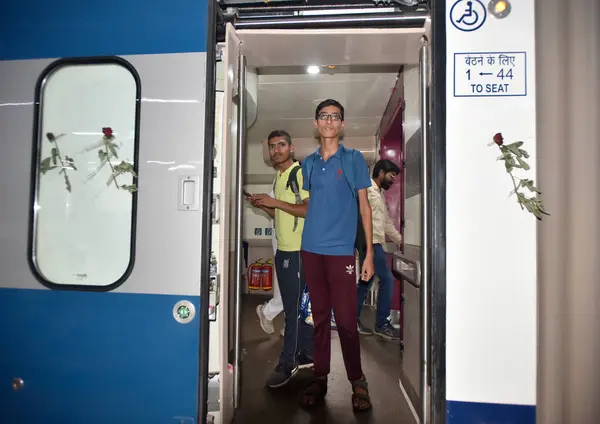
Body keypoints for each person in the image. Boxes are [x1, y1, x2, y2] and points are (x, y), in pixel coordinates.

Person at [299, 99, 375, 411]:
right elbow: (311, 205)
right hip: (311, 250)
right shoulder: (309, 163)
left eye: (335, 116)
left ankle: (358, 381)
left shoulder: (354, 158)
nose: (330, 121)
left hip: (342, 252)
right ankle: (319, 376)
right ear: (316, 124)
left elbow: (364, 207)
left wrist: (368, 253)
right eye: (324, 116)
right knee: (318, 319)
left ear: (342, 125)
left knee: (345, 321)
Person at [248, 130, 314, 388]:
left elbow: (309, 209)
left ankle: (288, 363)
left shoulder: (300, 173)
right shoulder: (279, 178)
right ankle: (307, 353)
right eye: (272, 146)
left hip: (298, 251)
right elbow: (281, 217)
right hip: (286, 249)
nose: (276, 150)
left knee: (292, 310)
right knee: (299, 307)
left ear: (291, 147)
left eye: (281, 145)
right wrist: (264, 206)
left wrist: (274, 201)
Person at [356, 159, 403, 340]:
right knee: (388, 280)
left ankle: (351, 319)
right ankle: (381, 323)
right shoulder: (367, 191)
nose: (392, 180)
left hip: (376, 243)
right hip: (372, 243)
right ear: (381, 172)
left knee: (365, 282)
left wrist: (399, 239)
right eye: (391, 176)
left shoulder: (378, 194)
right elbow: (362, 218)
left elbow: (385, 223)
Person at [255, 193, 285, 337]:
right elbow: (275, 211)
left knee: (295, 288)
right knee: (289, 286)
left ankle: (290, 326)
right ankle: (269, 312)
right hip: (285, 238)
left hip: (297, 237)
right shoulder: (283, 179)